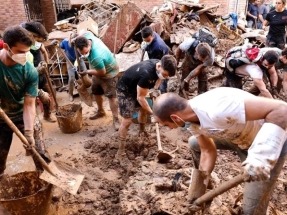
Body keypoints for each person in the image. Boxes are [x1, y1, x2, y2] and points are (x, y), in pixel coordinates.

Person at [153, 88, 287, 214]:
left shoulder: (218, 108)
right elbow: (207, 150)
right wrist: (197, 191)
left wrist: (261, 157)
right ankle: (206, 185)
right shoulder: (191, 120)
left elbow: (281, 109)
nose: (169, 129)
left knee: (251, 210)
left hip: (268, 149)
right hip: (240, 140)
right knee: (195, 142)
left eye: (166, 125)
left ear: (175, 118)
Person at [116, 55, 177, 167]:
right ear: (159, 66)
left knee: (143, 110)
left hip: (138, 87)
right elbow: (140, 98)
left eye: (167, 76)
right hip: (125, 90)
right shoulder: (146, 74)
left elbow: (158, 79)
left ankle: (142, 131)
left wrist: (155, 89)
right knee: (127, 120)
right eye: (165, 74)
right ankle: (120, 152)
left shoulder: (159, 64)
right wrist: (153, 114)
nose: (165, 77)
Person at [0, 26, 39, 176]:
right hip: (1, 117)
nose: (25, 55)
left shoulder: (29, 71)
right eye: (21, 52)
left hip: (21, 112)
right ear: (6, 47)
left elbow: (29, 105)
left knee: (38, 150)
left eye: (27, 51)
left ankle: (46, 179)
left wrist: (29, 132)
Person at [74, 31, 120, 130]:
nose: (84, 55)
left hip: (109, 73)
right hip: (97, 70)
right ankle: (101, 111)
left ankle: (116, 119)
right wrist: (74, 38)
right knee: (96, 92)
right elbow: (85, 32)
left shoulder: (96, 56)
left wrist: (87, 71)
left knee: (111, 96)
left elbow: (102, 73)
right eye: (81, 53)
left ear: (88, 45)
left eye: (86, 52)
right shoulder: (87, 37)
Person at [21, 21, 56, 123]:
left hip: (41, 72)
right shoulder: (23, 45)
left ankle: (47, 115)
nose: (37, 41)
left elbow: (44, 51)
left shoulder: (37, 44)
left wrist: (46, 63)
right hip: (29, 76)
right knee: (32, 100)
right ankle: (34, 121)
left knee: (48, 93)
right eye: (36, 38)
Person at [141, 26, 170, 93]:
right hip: (156, 55)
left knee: (161, 82)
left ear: (152, 36)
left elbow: (156, 64)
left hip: (163, 60)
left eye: (147, 40)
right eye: (144, 40)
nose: (146, 42)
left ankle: (163, 94)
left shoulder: (157, 47)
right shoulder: (150, 33)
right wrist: (146, 45)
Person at [60, 35, 77, 102]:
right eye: (72, 42)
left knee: (84, 73)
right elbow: (60, 46)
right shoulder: (65, 42)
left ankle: (86, 90)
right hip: (69, 60)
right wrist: (57, 44)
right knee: (71, 78)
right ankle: (70, 94)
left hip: (79, 59)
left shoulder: (79, 41)